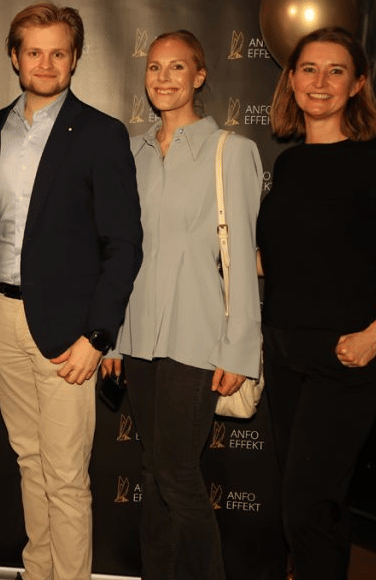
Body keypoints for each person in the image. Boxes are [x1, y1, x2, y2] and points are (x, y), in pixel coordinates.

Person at [257, 27, 376, 579]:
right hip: (286, 355)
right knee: (321, 507)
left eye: (336, 70)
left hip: (347, 361)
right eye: (309, 69)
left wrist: (373, 337)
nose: (320, 82)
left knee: (305, 509)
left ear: (358, 83)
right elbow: (292, 259)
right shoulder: (289, 165)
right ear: (291, 81)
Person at [0, 2, 143, 580]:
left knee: (67, 476)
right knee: (29, 461)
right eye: (33, 51)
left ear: (75, 59)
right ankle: (38, 571)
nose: (45, 63)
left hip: (69, 330)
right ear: (15, 57)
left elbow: (123, 244)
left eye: (58, 52)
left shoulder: (101, 134)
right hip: (1, 316)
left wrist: (98, 336)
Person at [101, 30, 263, 579]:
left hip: (197, 339)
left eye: (177, 68)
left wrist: (240, 350)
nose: (163, 78)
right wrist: (115, 338)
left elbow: (241, 256)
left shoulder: (231, 151)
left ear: (199, 77)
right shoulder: (132, 153)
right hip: (140, 336)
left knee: (176, 474)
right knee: (151, 471)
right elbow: (122, 253)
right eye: (155, 67)